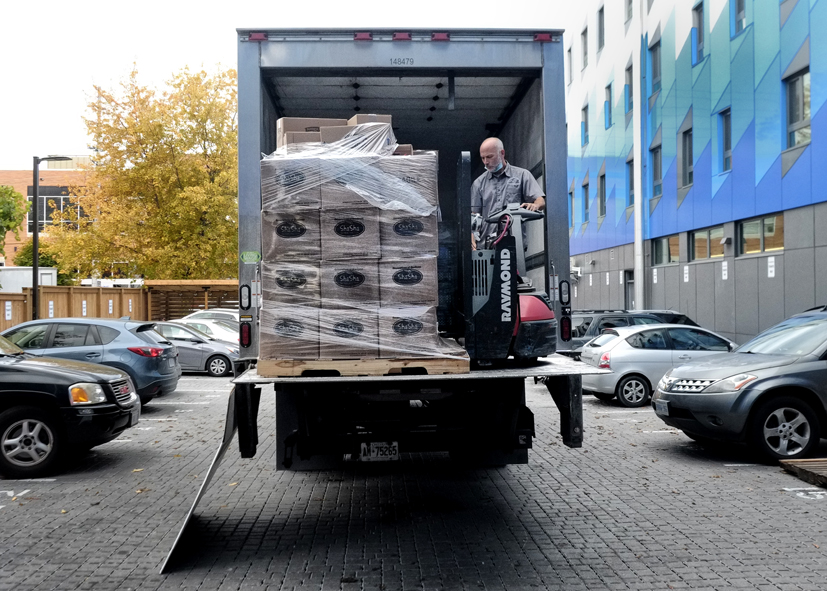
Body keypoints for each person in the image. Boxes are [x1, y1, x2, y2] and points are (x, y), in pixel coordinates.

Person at [471, 137, 545, 250]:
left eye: (489, 157)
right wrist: (472, 238)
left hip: (515, 243)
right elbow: (474, 216)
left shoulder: (522, 175)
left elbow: (540, 201)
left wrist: (535, 205)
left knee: (515, 267)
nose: (486, 162)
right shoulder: (478, 183)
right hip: (487, 246)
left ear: (502, 153)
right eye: (483, 158)